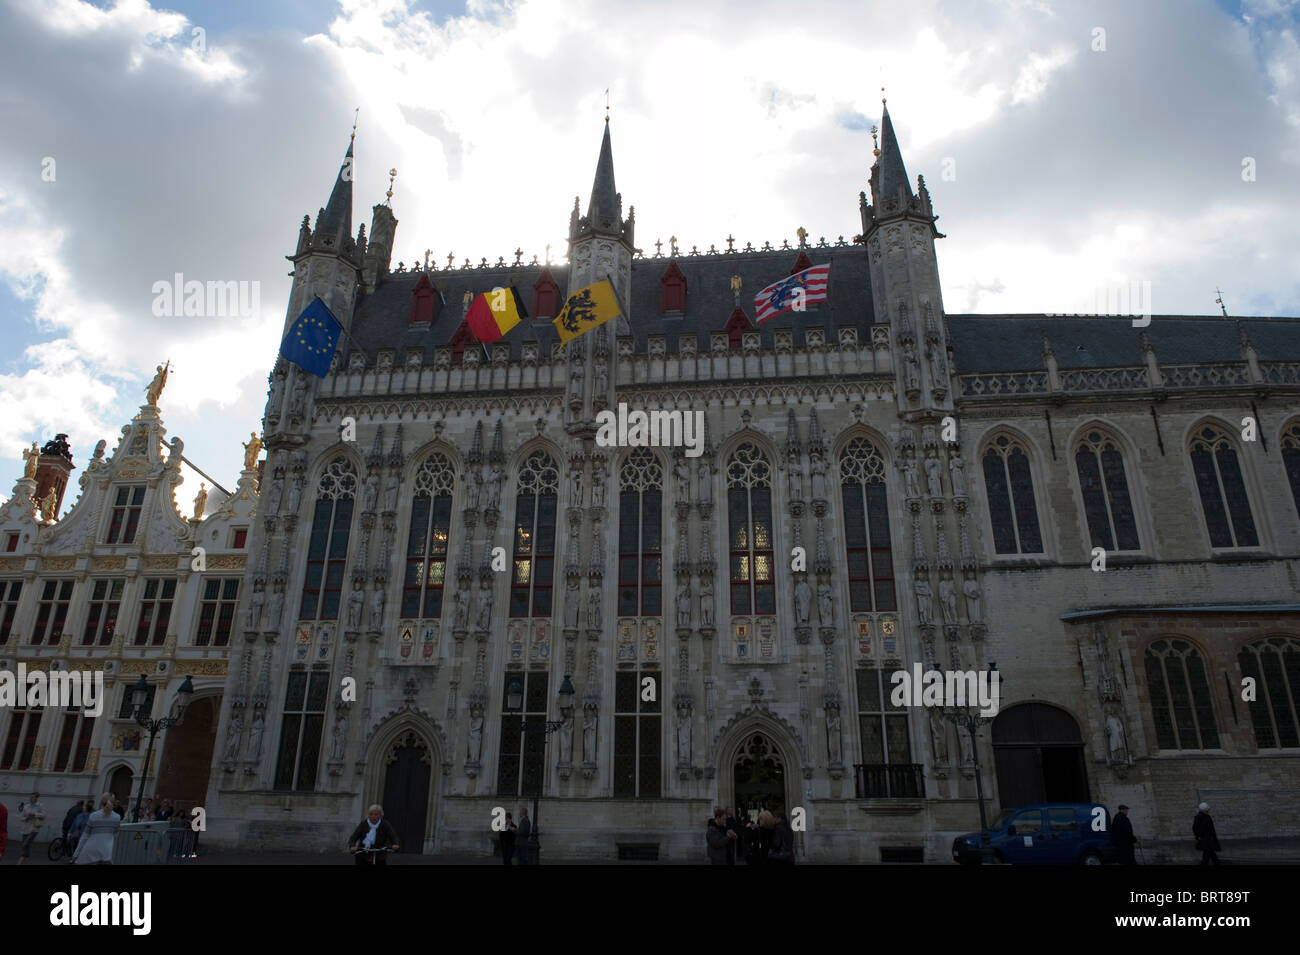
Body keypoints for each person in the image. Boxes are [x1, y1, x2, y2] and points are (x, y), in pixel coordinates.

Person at [72, 793, 121, 865]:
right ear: (113, 803)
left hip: (90, 851)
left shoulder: (93, 816)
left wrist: (76, 854)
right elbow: (116, 836)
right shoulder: (117, 817)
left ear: (101, 802)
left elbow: (85, 836)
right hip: (107, 852)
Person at [17, 792, 46, 865]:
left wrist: (35, 815)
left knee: (25, 844)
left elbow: (44, 815)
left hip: (34, 828)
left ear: (36, 798)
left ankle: (20, 861)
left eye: (33, 797)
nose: (31, 798)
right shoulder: (26, 806)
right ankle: (25, 858)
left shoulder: (40, 806)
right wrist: (26, 818)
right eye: (30, 797)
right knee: (26, 844)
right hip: (25, 828)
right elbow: (21, 817)